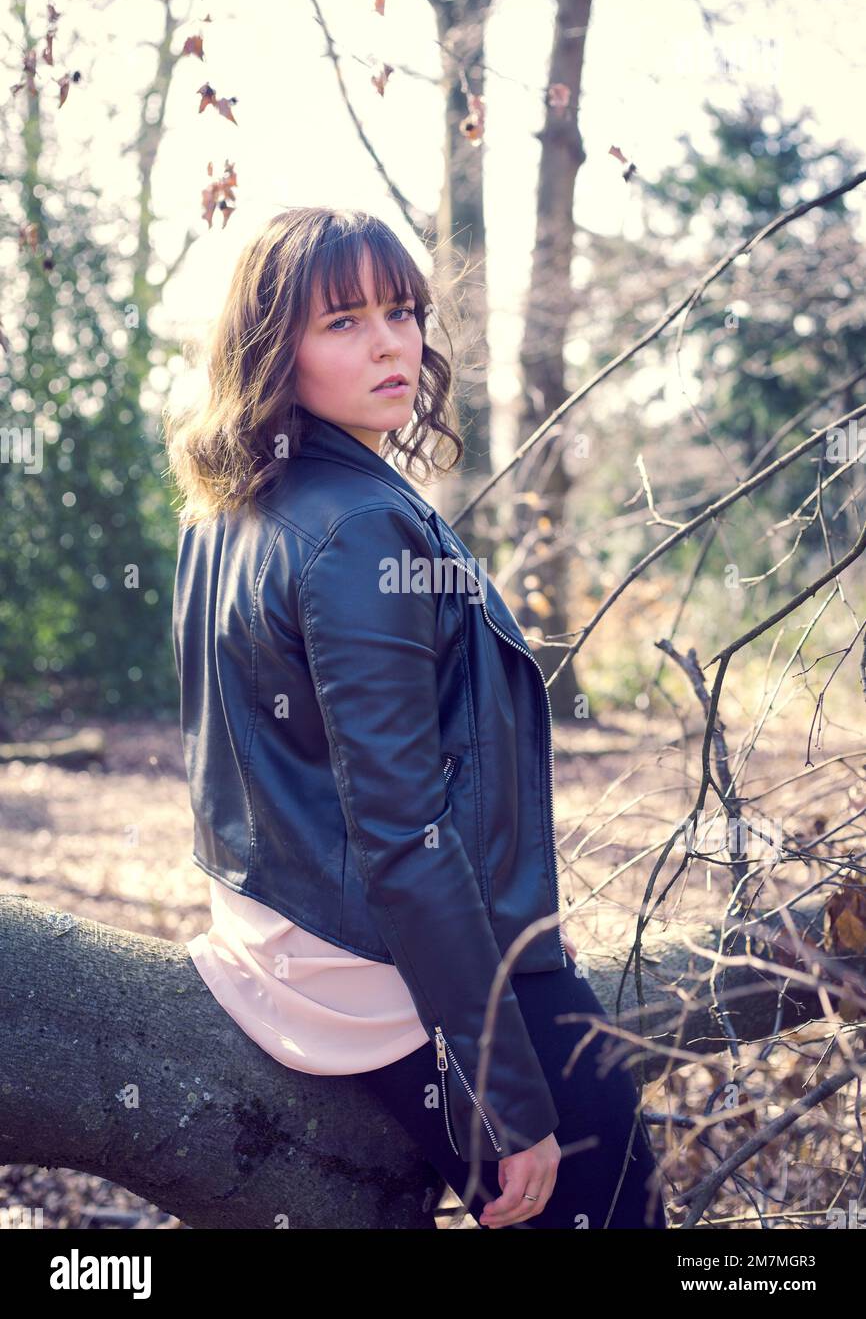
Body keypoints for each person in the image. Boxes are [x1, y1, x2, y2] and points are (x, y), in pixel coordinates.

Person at [164, 206, 666, 1229]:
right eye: (342, 320)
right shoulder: (354, 526)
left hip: (283, 927)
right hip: (387, 967)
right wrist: (510, 1097)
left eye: (401, 310)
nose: (392, 341)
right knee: (622, 1207)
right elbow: (402, 829)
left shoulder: (234, 502)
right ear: (273, 346)